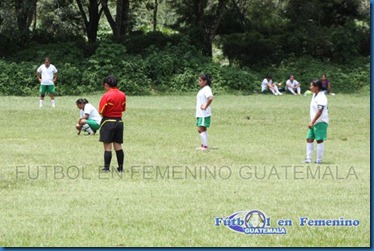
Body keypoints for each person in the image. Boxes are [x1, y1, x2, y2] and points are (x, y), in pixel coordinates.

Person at [99, 75, 126, 172]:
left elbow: (101, 111)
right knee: (118, 146)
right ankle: (121, 168)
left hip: (108, 121)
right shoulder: (122, 95)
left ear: (106, 85)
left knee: (107, 146)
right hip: (119, 122)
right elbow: (123, 108)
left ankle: (106, 168)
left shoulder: (106, 95)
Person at [303, 80, 329, 164]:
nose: (310, 87)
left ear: (316, 87)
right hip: (314, 121)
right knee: (309, 139)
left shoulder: (321, 97)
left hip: (320, 121)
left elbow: (319, 111)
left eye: (311, 86)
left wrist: (312, 122)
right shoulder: (315, 95)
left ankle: (319, 160)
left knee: (319, 140)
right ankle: (308, 159)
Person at [196, 74, 214, 151]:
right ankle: (203, 145)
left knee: (200, 129)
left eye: (200, 80)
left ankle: (205, 146)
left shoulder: (207, 89)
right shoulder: (203, 89)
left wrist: (205, 106)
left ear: (205, 81)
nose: (199, 82)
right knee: (203, 129)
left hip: (203, 113)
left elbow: (210, 98)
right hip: (200, 113)